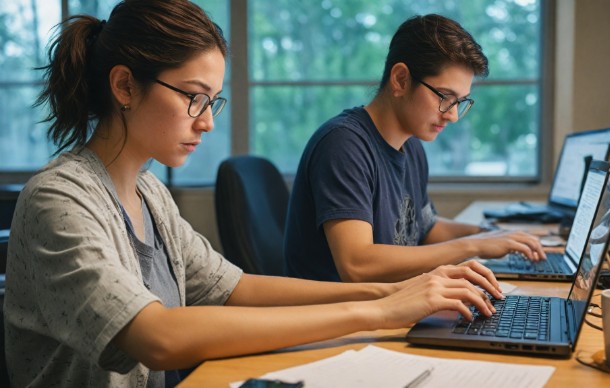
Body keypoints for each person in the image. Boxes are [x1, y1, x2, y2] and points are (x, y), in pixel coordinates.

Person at [4, 1, 505, 387]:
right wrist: (378, 310)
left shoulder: (149, 193)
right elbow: (155, 337)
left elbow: (237, 288)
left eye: (213, 100)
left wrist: (397, 293)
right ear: (125, 86)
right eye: (192, 96)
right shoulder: (60, 199)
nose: (207, 120)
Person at [284, 14, 546, 283]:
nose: (453, 115)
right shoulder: (343, 145)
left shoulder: (412, 146)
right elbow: (356, 265)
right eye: (445, 97)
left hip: (390, 304)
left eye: (461, 101)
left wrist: (488, 233)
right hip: (343, 317)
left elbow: (425, 228)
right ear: (400, 79)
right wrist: (474, 245)